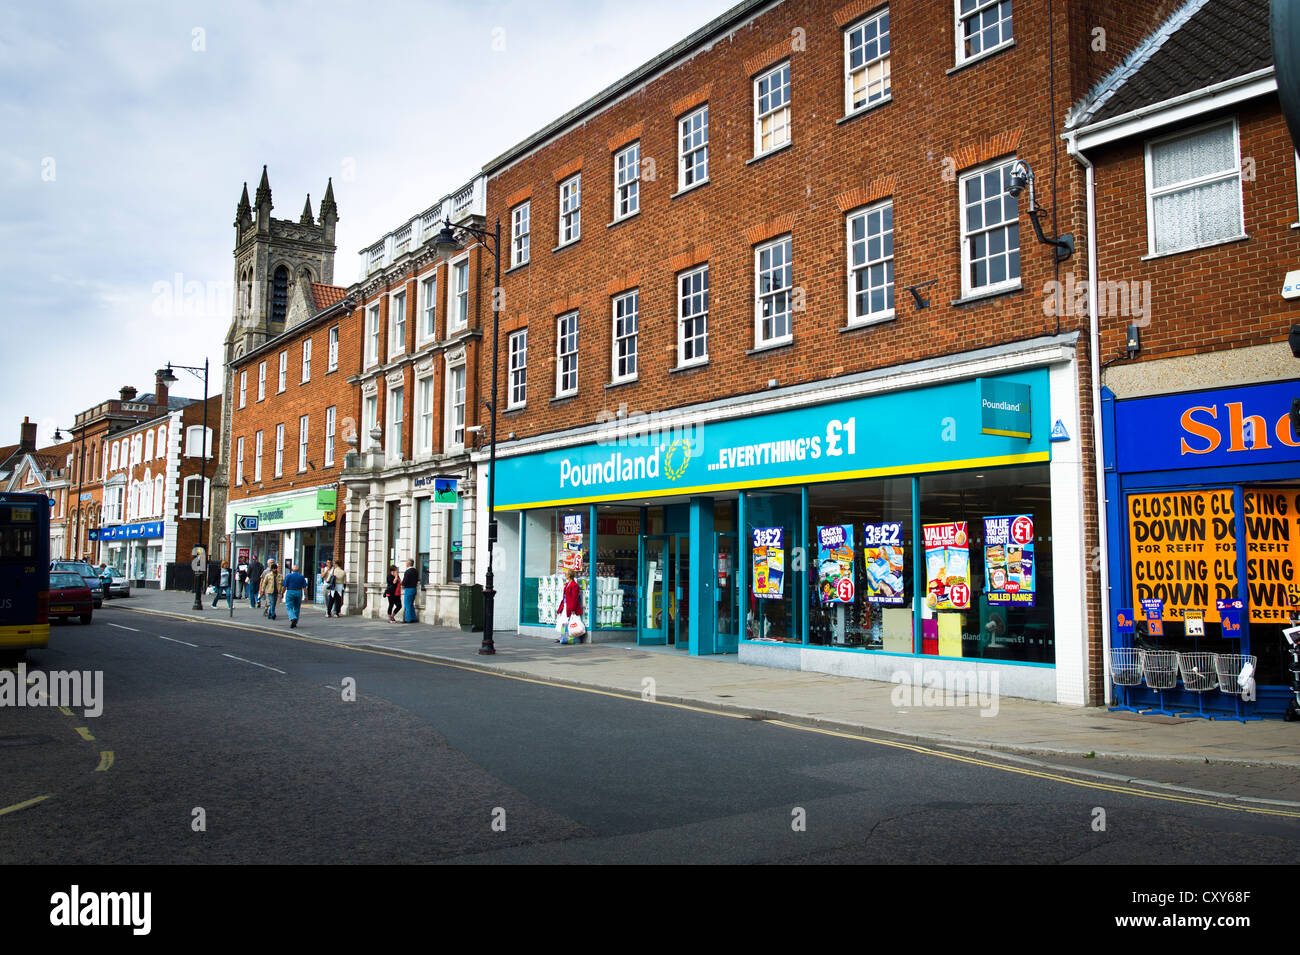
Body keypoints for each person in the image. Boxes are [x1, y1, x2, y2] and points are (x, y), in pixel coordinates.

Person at [556, 567, 584, 644]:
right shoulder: (567, 584)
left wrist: (572, 608)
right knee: (564, 621)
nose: (565, 574)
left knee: (571, 621)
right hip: (565, 605)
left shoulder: (574, 585)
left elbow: (575, 598)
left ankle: (573, 636)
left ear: (569, 575)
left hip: (570, 606)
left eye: (566, 573)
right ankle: (563, 636)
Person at [283, 563, 308, 629]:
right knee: (297, 607)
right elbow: (305, 587)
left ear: (292, 570)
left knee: (289, 606)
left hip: (290, 591)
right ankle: (295, 622)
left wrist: (282, 593)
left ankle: (292, 617)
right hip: (298, 592)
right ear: (298, 570)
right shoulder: (301, 576)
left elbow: (284, 586)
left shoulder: (288, 576)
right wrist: (306, 596)